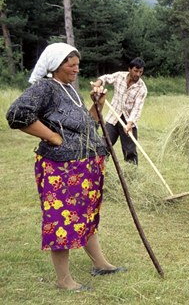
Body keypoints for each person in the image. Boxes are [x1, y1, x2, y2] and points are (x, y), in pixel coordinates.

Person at [6, 43, 126, 291]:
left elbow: (86, 127)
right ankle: (63, 280)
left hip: (85, 168)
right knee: (62, 221)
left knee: (87, 216)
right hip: (61, 170)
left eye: (77, 64)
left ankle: (100, 264)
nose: (75, 68)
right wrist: (51, 137)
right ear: (54, 65)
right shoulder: (46, 88)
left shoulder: (70, 90)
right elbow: (16, 114)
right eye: (69, 64)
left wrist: (98, 105)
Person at [90, 58, 148, 165]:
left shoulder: (142, 88)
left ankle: (131, 174)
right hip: (113, 117)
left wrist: (130, 123)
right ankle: (99, 168)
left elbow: (137, 109)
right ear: (129, 69)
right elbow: (106, 78)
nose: (138, 74)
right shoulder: (119, 76)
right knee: (104, 145)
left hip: (128, 121)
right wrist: (98, 83)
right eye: (136, 71)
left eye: (140, 72)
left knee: (130, 151)